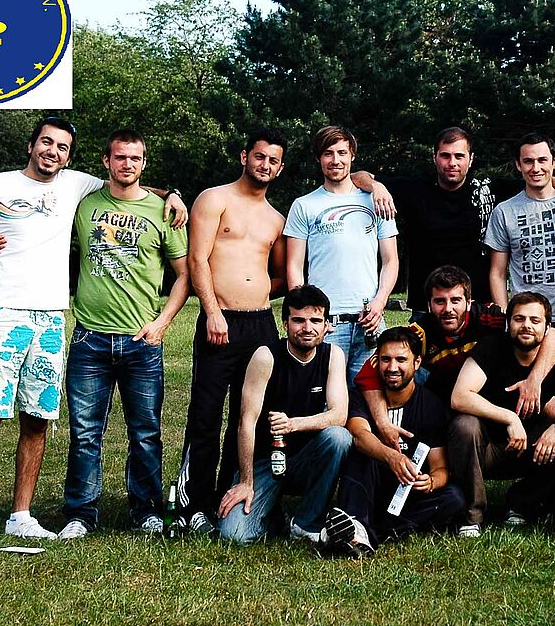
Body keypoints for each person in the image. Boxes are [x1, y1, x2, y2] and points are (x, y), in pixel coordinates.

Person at [0, 117, 185, 553]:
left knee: (39, 420)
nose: (52, 151)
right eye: (46, 142)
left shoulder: (77, 186)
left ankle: (21, 516)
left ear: (71, 157)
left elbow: (133, 187)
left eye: (61, 147)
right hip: (1, 310)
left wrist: (172, 194)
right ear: (31, 145)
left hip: (53, 319)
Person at [56, 130, 190, 539]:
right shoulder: (84, 204)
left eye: (134, 158)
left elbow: (184, 276)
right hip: (89, 339)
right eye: (119, 157)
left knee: (145, 432)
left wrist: (162, 322)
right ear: (106, 161)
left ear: (143, 162)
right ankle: (81, 514)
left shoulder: (164, 213)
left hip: (141, 341)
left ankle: (146, 510)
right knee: (84, 433)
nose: (127, 164)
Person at [178, 128, 288, 535]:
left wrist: (253, 297)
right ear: (245, 156)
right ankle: (195, 505)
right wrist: (213, 310)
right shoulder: (214, 199)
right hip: (217, 321)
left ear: (280, 168)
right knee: (205, 415)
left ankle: (233, 494)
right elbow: (197, 259)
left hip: (260, 324)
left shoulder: (276, 218)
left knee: (249, 416)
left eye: (273, 161)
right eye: (260, 157)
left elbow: (278, 275)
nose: (265, 166)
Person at [350, 127, 555, 314]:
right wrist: (376, 186)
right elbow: (356, 176)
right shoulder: (414, 189)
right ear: (435, 158)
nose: (452, 162)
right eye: (445, 156)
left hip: (479, 307)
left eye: (459, 156)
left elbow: (537, 179)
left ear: (470, 160)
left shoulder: (487, 189)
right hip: (428, 306)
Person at [353, 265, 555, 447]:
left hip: (497, 388)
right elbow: (370, 372)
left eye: (455, 300)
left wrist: (534, 381)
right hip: (449, 399)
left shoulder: (489, 319)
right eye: (440, 301)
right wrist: (382, 423)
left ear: (469, 302)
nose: (448, 309)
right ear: (428, 305)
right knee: (402, 369)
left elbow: (554, 335)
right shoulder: (421, 332)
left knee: (548, 398)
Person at [449, 292, 555, 536]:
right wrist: (510, 418)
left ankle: (522, 501)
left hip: (534, 449)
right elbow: (460, 396)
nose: (527, 326)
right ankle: (472, 514)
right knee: (464, 425)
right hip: (485, 449)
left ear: (547, 327)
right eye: (519, 319)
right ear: (509, 323)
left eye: (535, 320)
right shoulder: (492, 347)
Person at [216, 285, 351, 544]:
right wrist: (246, 481)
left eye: (315, 320)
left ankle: (305, 523)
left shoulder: (332, 355)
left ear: (326, 326)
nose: (307, 328)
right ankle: (273, 516)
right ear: (285, 323)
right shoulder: (266, 357)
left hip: (306, 456)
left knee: (339, 438)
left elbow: (339, 415)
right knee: (235, 535)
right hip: (265, 461)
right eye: (298, 320)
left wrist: (293, 424)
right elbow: (246, 423)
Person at [321, 327, 465, 557]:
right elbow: (359, 435)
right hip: (368, 485)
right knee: (362, 453)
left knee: (454, 498)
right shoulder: (360, 395)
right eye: (385, 359)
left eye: (401, 360)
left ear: (417, 363)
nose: (393, 367)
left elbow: (440, 467)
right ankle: (356, 524)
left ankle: (361, 532)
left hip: (406, 492)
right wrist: (392, 457)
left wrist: (430, 482)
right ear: (376, 361)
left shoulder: (431, 405)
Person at [285, 125, 399, 384]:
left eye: (342, 153)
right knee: (325, 398)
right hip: (327, 325)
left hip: (369, 322)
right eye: (328, 153)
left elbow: (390, 261)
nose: (335, 160)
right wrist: (310, 315)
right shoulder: (304, 205)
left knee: (367, 399)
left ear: (352, 155)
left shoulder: (376, 201)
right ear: (318, 159)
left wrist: (379, 303)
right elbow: (294, 265)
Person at [486, 133, 555, 380]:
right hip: (529, 322)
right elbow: (497, 272)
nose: (536, 168)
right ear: (518, 165)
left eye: (543, 160)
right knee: (531, 395)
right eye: (528, 161)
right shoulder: (504, 212)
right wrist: (505, 316)